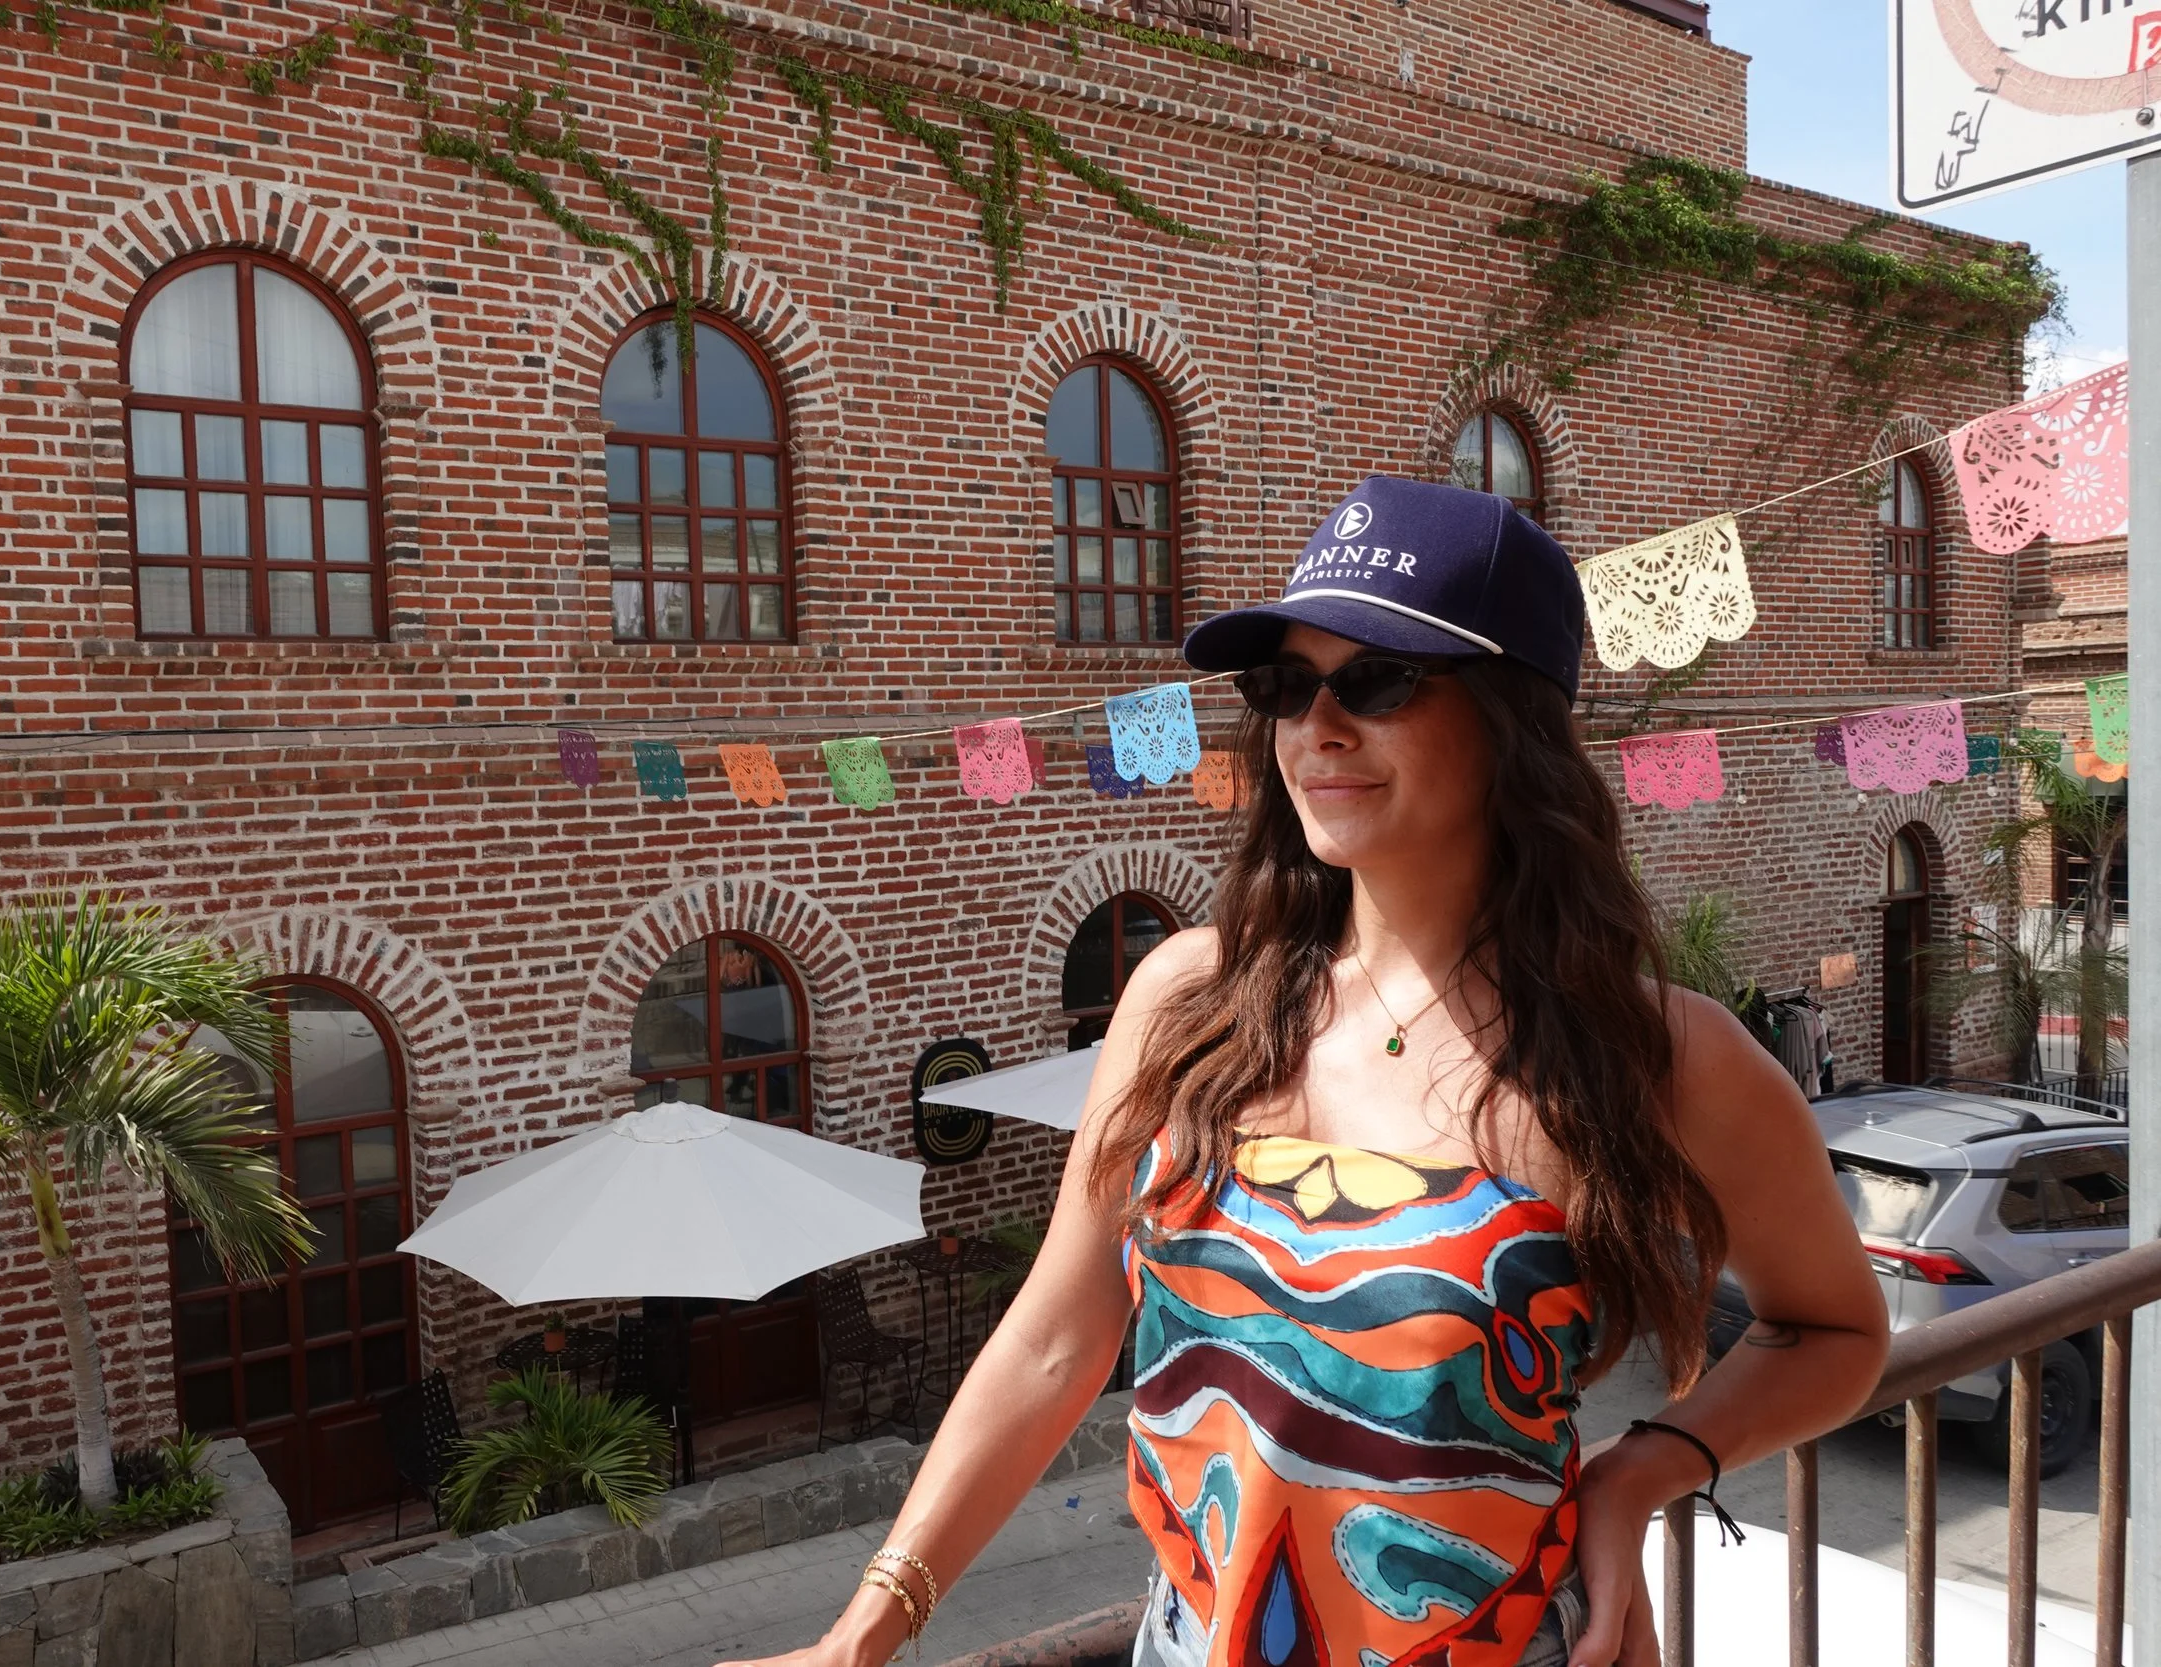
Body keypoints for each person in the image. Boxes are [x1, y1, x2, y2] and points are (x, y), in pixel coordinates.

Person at [724, 476, 1887, 1667]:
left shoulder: (1654, 1054)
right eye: (1284, 685)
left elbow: (1836, 1326)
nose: (1316, 726)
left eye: (1375, 682)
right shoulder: (1189, 997)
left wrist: (1644, 1467)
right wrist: (865, 1625)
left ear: (1514, 719)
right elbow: (1055, 1338)